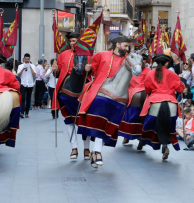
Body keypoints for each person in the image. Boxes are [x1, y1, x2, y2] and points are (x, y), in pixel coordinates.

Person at [77, 35, 136, 167]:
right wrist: (88, 68)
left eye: (128, 46)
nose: (127, 48)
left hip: (119, 95)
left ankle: (96, 150)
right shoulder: (102, 55)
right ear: (117, 45)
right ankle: (90, 149)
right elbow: (91, 69)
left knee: (110, 123)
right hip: (99, 89)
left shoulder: (127, 60)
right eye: (125, 45)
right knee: (93, 118)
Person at [139, 53, 185, 160]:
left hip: (155, 99)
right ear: (167, 62)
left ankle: (143, 140)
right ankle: (165, 146)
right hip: (171, 100)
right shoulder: (173, 74)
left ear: (156, 62)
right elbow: (180, 89)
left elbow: (147, 89)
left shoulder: (150, 73)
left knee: (147, 121)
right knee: (168, 126)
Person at [53, 32, 92, 159]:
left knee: (85, 120)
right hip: (65, 89)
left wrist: (89, 69)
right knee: (69, 120)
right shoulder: (63, 55)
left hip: (83, 84)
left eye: (75, 41)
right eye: (71, 41)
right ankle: (74, 148)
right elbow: (57, 72)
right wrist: (54, 69)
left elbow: (94, 69)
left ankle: (87, 149)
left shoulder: (88, 55)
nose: (73, 43)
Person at [119, 53, 151, 147]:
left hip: (133, 91)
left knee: (125, 110)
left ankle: (126, 136)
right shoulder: (148, 70)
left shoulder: (132, 69)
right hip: (145, 91)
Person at [17, 53, 36, 118]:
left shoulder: (33, 66)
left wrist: (30, 67)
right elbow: (18, 75)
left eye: (28, 59)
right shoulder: (20, 66)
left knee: (28, 99)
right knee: (23, 98)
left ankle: (27, 113)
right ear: (24, 59)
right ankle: (22, 112)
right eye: (26, 59)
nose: (27, 60)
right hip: (23, 83)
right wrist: (23, 69)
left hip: (30, 84)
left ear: (29, 59)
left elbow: (34, 75)